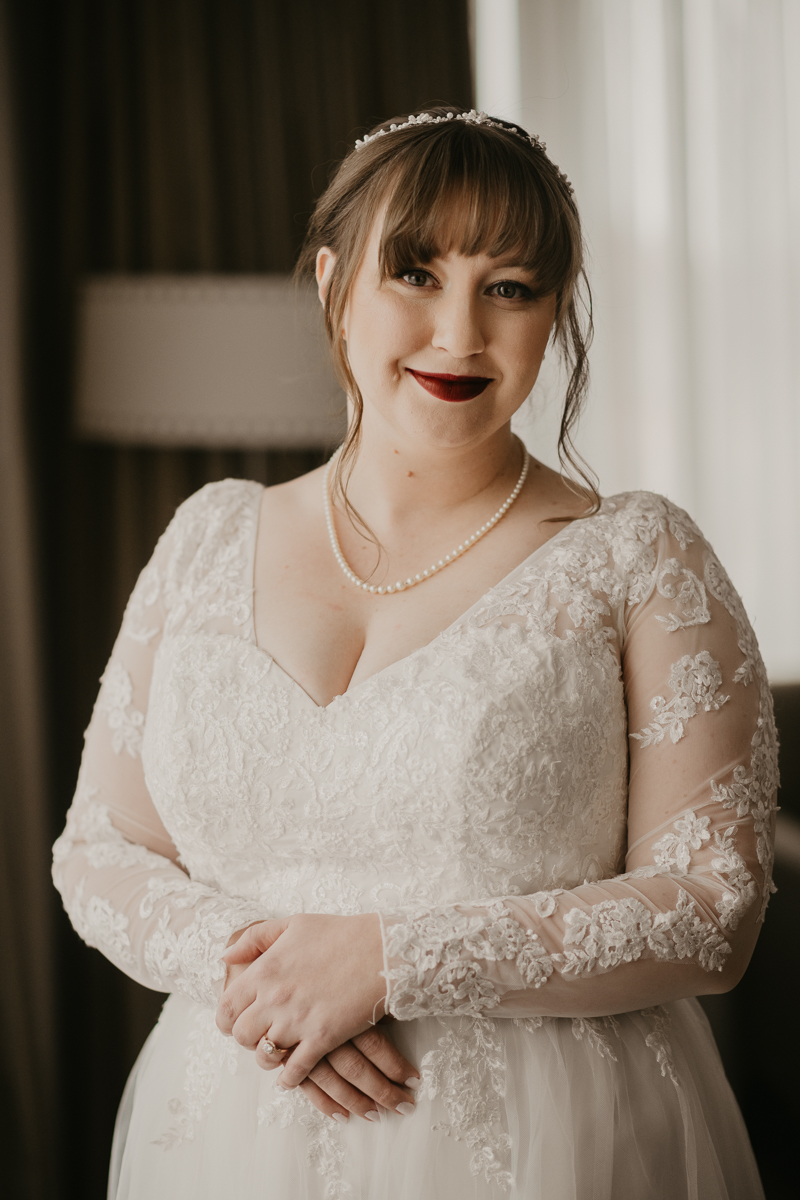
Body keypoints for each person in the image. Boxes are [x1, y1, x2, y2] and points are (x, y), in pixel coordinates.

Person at [52, 107, 776, 1199]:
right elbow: (98, 849)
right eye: (415, 273)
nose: (458, 333)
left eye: (509, 287)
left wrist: (388, 960)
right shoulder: (208, 535)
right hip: (223, 1132)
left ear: (553, 313)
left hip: (551, 1145)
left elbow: (711, 906)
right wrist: (269, 978)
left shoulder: (636, 558)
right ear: (332, 281)